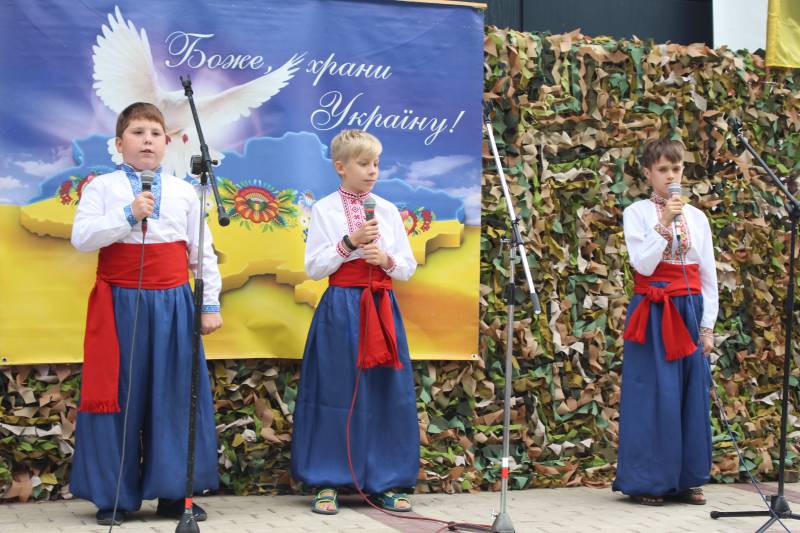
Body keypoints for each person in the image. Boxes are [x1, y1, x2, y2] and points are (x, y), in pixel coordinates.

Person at [69, 102, 222, 525]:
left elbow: (200, 250)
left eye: (155, 134)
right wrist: (127, 214)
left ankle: (175, 495)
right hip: (119, 302)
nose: (147, 140)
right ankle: (113, 496)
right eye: (137, 133)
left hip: (173, 301)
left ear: (167, 143)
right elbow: (82, 238)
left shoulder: (185, 190)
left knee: (174, 394)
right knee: (119, 394)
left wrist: (208, 304)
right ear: (120, 144)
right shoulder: (101, 187)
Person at [290, 129, 419, 515]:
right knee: (335, 390)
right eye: (364, 164)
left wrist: (387, 260)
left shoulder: (388, 210)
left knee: (384, 391)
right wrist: (349, 243)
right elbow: (314, 267)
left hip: (380, 306)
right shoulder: (325, 210)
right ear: (341, 167)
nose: (372, 171)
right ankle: (326, 480)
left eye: (376, 164)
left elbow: (408, 267)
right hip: (340, 308)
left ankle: (385, 481)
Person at [613, 137, 718, 506]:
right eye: (662, 169)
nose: (671, 175)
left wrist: (707, 327)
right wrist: (665, 222)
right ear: (648, 173)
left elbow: (708, 275)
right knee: (654, 393)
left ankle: (687, 478)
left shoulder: (698, 218)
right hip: (654, 311)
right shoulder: (637, 213)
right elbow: (642, 264)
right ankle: (647, 481)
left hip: (688, 310)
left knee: (690, 392)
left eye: (676, 168)